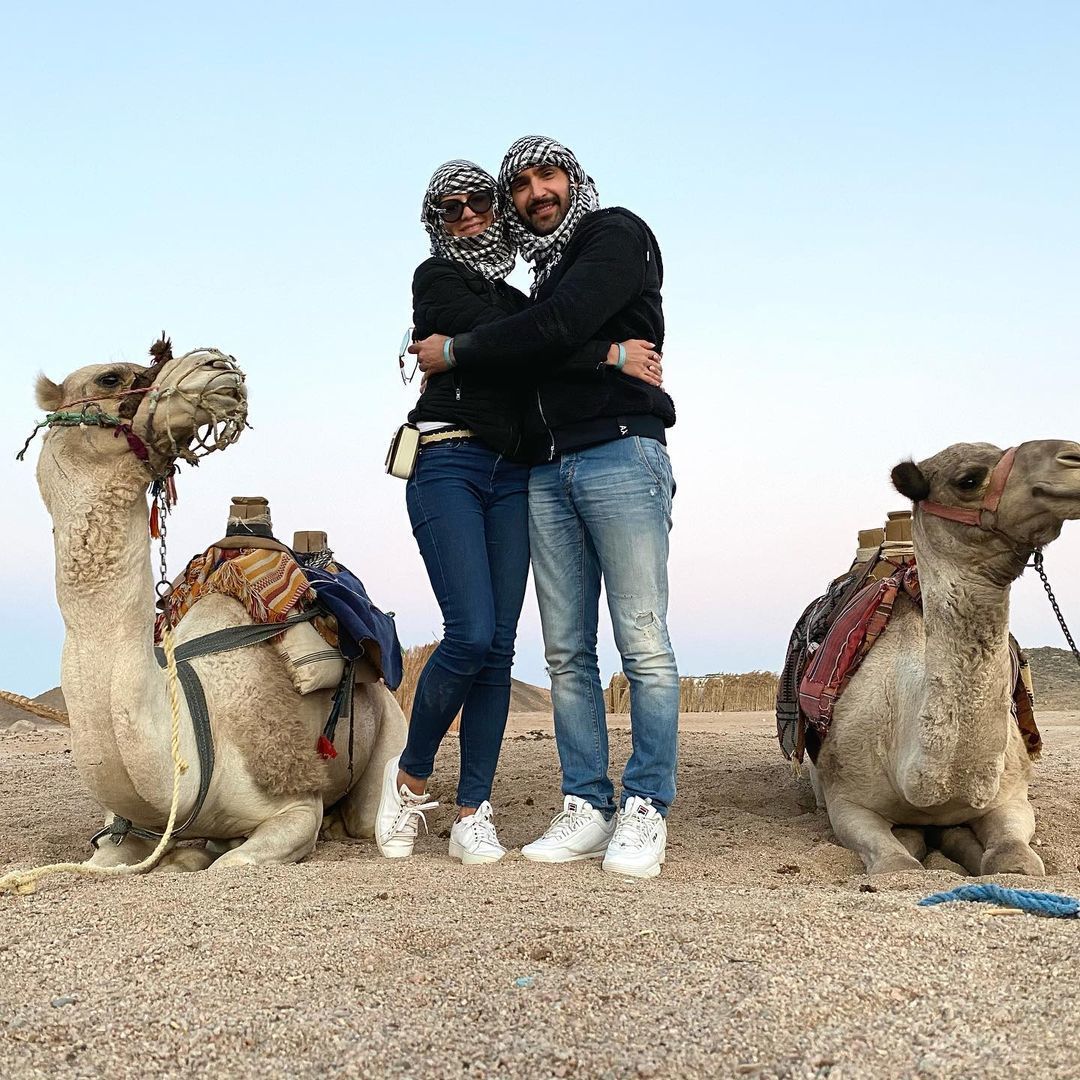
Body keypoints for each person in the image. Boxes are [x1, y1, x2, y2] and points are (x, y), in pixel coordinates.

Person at [377, 159, 660, 866]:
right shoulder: (435, 279)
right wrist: (607, 352)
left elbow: (537, 340)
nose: (469, 213)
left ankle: (473, 809)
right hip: (448, 459)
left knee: (503, 647)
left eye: (480, 201)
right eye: (452, 206)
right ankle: (410, 779)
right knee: (470, 633)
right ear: (434, 220)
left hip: (515, 471)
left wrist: (529, 343)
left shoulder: (527, 290)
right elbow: (535, 343)